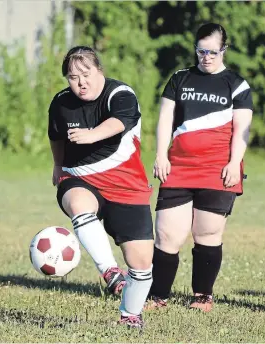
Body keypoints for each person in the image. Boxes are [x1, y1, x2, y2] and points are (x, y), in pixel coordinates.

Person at [146, 23, 253, 312]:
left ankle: (202, 295)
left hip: (217, 169)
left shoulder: (236, 83)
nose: (206, 57)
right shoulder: (180, 78)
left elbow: (243, 127)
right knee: (167, 234)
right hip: (178, 167)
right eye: (201, 51)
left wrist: (233, 162)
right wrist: (160, 155)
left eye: (212, 52)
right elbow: (165, 119)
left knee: (207, 234)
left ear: (224, 50)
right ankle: (158, 297)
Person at [48, 46, 154, 328]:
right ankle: (110, 272)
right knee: (80, 205)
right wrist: (58, 166)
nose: (81, 82)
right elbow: (56, 136)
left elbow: (119, 123)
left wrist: (91, 135)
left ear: (100, 71)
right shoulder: (61, 103)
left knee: (142, 264)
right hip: (79, 177)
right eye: (73, 77)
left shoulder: (121, 95)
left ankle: (130, 315)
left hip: (126, 184)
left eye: (86, 74)